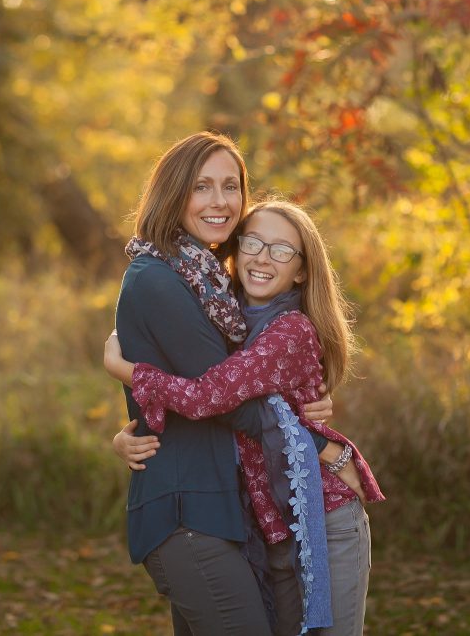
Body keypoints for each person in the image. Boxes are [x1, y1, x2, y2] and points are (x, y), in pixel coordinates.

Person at [108, 200, 384, 635]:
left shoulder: (288, 331)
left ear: (302, 271)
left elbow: (206, 395)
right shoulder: (227, 318)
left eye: (280, 250)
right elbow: (190, 368)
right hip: (268, 524)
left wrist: (126, 371)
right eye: (253, 242)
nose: (261, 256)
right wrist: (127, 432)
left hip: (321, 516)